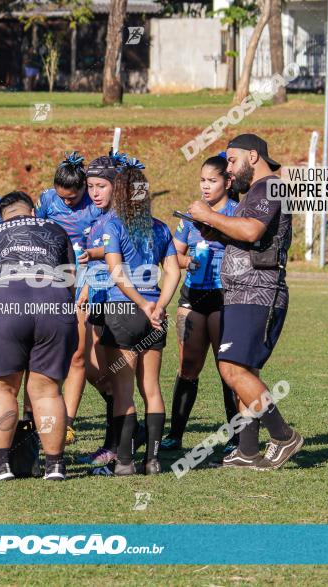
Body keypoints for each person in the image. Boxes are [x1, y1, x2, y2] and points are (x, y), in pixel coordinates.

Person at [187, 133, 302, 470]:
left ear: (253, 156)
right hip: (243, 293)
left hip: (259, 292)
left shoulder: (270, 187)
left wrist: (208, 216)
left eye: (233, 161)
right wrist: (217, 232)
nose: (230, 171)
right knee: (243, 370)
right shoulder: (255, 191)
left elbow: (251, 231)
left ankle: (283, 436)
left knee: (232, 369)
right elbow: (246, 236)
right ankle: (247, 449)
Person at [0, 191, 77, 481]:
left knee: (0, 389)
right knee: (47, 391)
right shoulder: (55, 228)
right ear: (32, 212)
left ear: (1, 217)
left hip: (9, 297)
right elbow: (71, 276)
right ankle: (55, 466)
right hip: (54, 299)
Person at [98, 159, 181, 476]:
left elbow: (116, 272)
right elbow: (172, 271)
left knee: (123, 391)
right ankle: (154, 459)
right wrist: (158, 304)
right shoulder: (159, 227)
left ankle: (124, 461)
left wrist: (141, 304)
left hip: (123, 311)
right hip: (153, 314)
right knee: (152, 388)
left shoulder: (113, 225)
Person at [161, 155, 241, 453]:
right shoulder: (191, 214)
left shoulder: (237, 212)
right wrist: (189, 261)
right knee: (187, 367)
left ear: (228, 182)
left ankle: (236, 437)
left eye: (213, 181)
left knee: (229, 370)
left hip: (225, 299)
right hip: (193, 297)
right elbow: (175, 255)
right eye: (202, 180)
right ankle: (175, 435)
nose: (206, 186)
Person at [35, 151, 99, 444]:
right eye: (62, 197)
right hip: (51, 274)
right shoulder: (47, 200)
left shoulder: (96, 205)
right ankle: (35, 416)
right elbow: (35, 234)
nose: (66, 202)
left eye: (72, 198)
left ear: (84, 188)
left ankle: (69, 422)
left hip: (86, 274)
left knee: (77, 352)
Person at [75, 151, 126, 467]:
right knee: (95, 368)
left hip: (119, 305)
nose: (94, 192)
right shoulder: (98, 218)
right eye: (91, 186)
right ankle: (119, 437)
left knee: (118, 375)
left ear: (116, 187)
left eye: (101, 186)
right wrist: (84, 290)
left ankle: (119, 444)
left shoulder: (121, 219)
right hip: (98, 300)